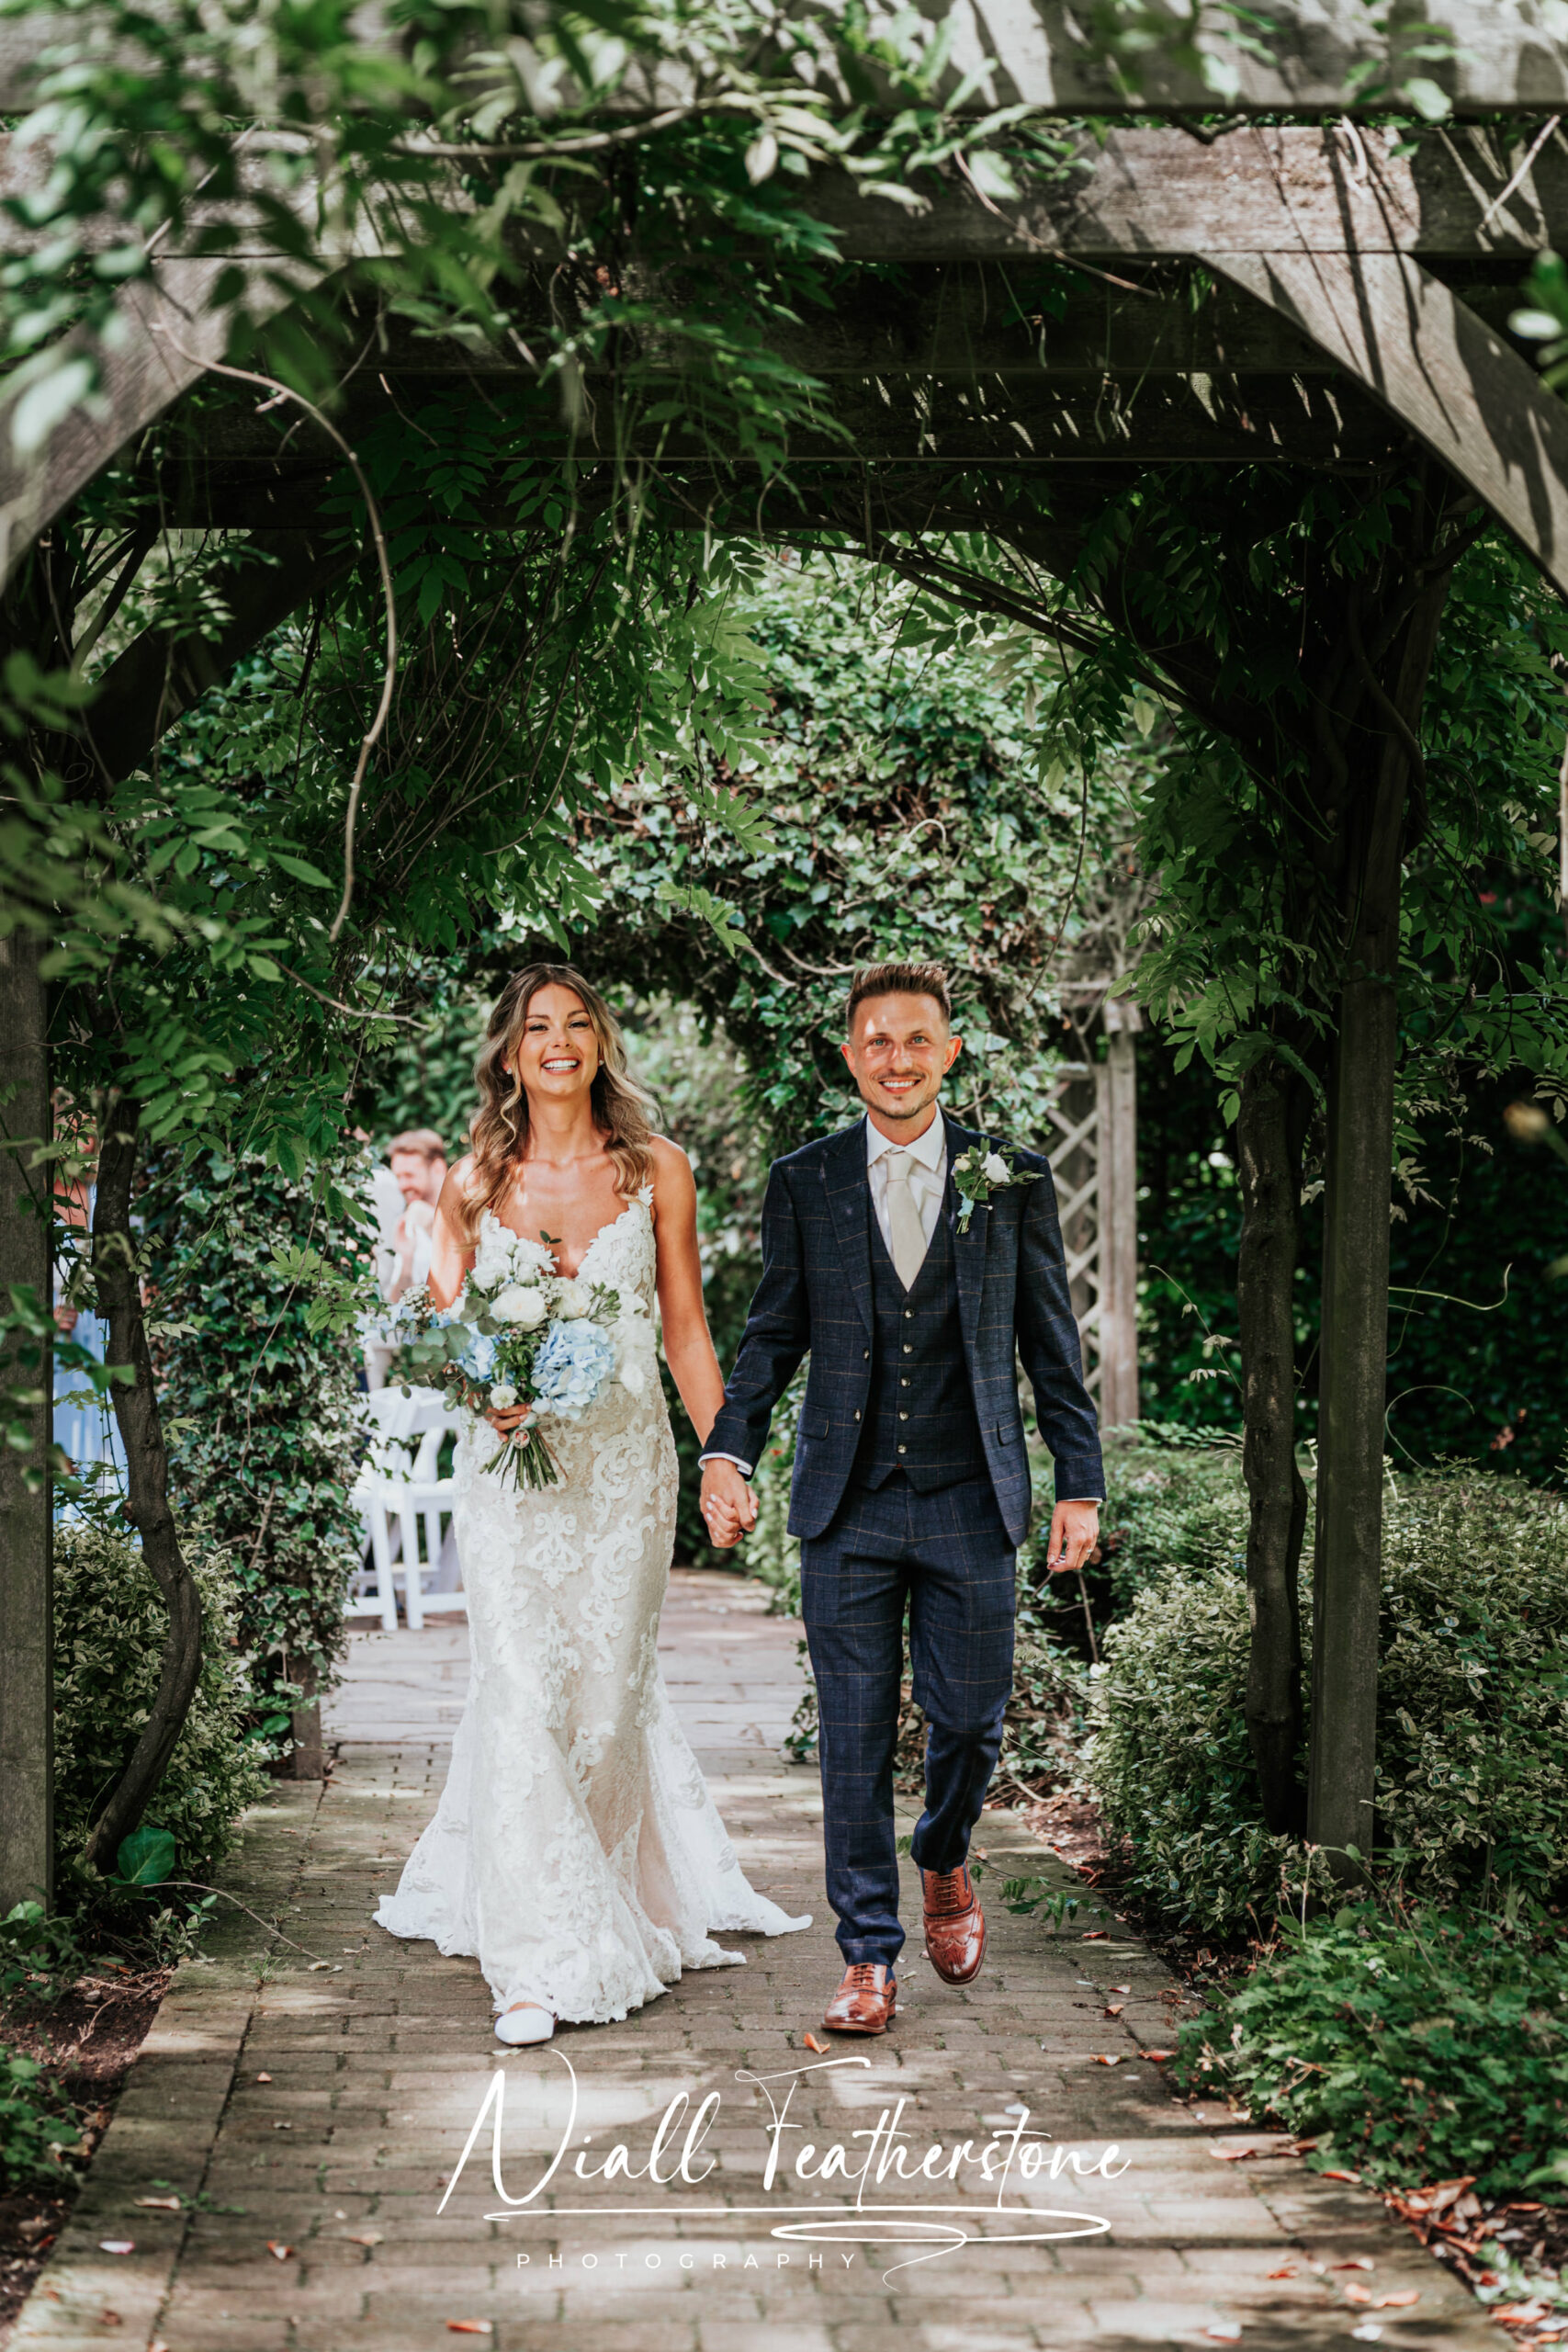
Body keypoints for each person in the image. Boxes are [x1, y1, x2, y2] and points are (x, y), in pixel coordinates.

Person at [373, 965, 808, 2044]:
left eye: (576, 1023)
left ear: (600, 1042)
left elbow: (687, 1331)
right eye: (537, 1027)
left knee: (606, 1703)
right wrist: (491, 1390)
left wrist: (726, 1457)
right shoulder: (473, 1178)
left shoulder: (660, 1169)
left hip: (622, 1472)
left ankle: (607, 1887)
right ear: (509, 1053)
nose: (558, 1041)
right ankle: (539, 1958)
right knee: (522, 1687)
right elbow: (443, 1331)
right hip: (512, 1476)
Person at [700, 959, 1102, 2036]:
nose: (897, 1059)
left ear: (950, 1054)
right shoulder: (807, 1179)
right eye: (876, 1040)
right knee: (853, 1736)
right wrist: (726, 1452)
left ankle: (944, 1852)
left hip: (975, 1499)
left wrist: (1081, 1483)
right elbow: (771, 1333)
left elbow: (1052, 1348)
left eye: (917, 1040)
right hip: (849, 1502)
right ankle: (867, 1956)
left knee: (970, 1725)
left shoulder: (1010, 1176)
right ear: (850, 1056)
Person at [384, 1128, 449, 1306]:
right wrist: (406, 1260)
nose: (402, 1185)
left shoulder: (466, 1210)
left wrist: (432, 1227)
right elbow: (396, 1304)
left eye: (409, 1175)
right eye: (398, 1177)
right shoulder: (406, 1223)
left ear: (437, 1168)